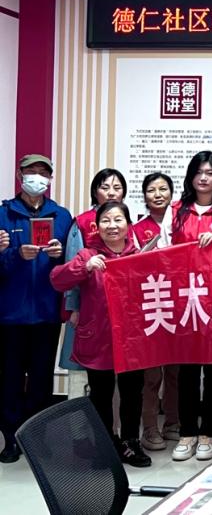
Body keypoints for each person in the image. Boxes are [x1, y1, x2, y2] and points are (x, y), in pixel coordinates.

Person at [50, 200, 150, 467]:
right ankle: (105, 445)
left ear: (128, 225)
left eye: (118, 220)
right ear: (97, 226)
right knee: (101, 396)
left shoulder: (140, 254)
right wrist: (84, 267)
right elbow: (57, 279)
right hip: (98, 338)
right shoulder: (87, 254)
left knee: (132, 393)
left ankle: (131, 443)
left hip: (132, 339)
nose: (112, 226)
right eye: (106, 220)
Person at [160, 151, 212, 463]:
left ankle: (209, 432)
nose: (204, 178)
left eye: (210, 172)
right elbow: (164, 253)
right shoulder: (176, 210)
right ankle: (187, 432)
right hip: (185, 299)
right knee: (187, 371)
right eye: (198, 172)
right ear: (190, 177)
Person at [0, 154, 73, 463]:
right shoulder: (3, 214)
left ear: (50, 179)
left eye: (44, 172)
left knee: (41, 378)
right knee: (9, 378)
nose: (37, 177)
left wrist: (59, 255)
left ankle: (37, 439)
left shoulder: (62, 216)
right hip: (10, 313)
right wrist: (14, 254)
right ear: (20, 176)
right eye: (31, 171)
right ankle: (10, 438)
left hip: (46, 311)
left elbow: (71, 266)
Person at [58, 169, 134, 395]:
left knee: (123, 378)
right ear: (95, 191)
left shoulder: (128, 222)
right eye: (105, 187)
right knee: (86, 372)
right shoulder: (82, 222)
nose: (111, 192)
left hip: (122, 314)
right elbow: (71, 266)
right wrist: (74, 307)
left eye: (117, 187)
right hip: (89, 309)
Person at [135, 172, 180, 452]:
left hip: (179, 304)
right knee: (151, 375)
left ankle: (173, 422)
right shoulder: (137, 228)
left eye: (163, 189)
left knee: (176, 371)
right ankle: (150, 427)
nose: (158, 194)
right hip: (151, 304)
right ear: (144, 195)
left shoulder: (181, 222)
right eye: (152, 190)